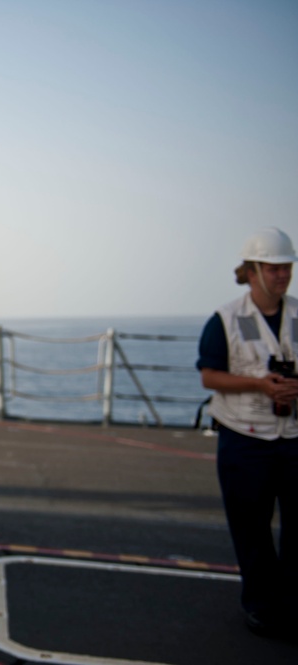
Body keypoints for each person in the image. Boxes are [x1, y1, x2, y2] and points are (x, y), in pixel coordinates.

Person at [197, 226, 298, 638]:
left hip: (292, 438)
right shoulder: (225, 320)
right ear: (252, 271)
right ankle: (261, 607)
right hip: (243, 440)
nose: (282, 275)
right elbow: (209, 376)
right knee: (252, 530)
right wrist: (260, 384)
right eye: (273, 268)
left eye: (286, 267)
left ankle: (291, 606)